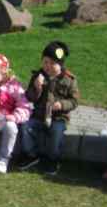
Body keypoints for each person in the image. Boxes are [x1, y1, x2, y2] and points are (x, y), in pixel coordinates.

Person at [17, 41, 80, 176]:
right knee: (26, 126)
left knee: (56, 133)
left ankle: (53, 159)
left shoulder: (69, 79)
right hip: (39, 115)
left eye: (53, 63)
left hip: (58, 117)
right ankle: (31, 155)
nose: (48, 66)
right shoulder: (37, 76)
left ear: (60, 64)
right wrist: (36, 88)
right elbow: (29, 97)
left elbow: (74, 101)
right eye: (45, 62)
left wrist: (62, 104)